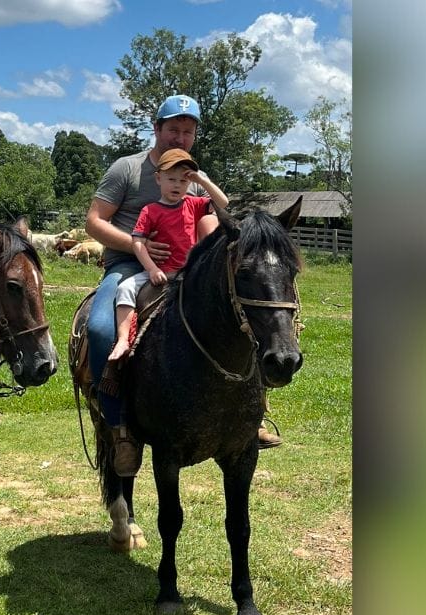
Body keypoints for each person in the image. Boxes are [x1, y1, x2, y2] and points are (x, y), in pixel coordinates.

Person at [85, 95, 280, 477]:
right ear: (156, 129)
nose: (180, 136)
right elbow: (94, 222)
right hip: (129, 264)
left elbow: (209, 223)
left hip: (183, 268)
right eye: (173, 128)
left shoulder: (191, 177)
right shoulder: (126, 169)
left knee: (241, 317)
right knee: (99, 328)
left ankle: (249, 415)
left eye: (187, 131)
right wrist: (136, 244)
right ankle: (118, 424)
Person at [105, 148, 228, 366]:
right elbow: (137, 242)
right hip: (160, 271)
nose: (177, 185)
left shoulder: (194, 204)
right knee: (125, 288)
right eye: (171, 179)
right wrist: (152, 269)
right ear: (158, 178)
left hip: (187, 273)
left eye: (183, 180)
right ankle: (124, 339)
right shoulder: (150, 210)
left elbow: (223, 203)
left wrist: (200, 179)